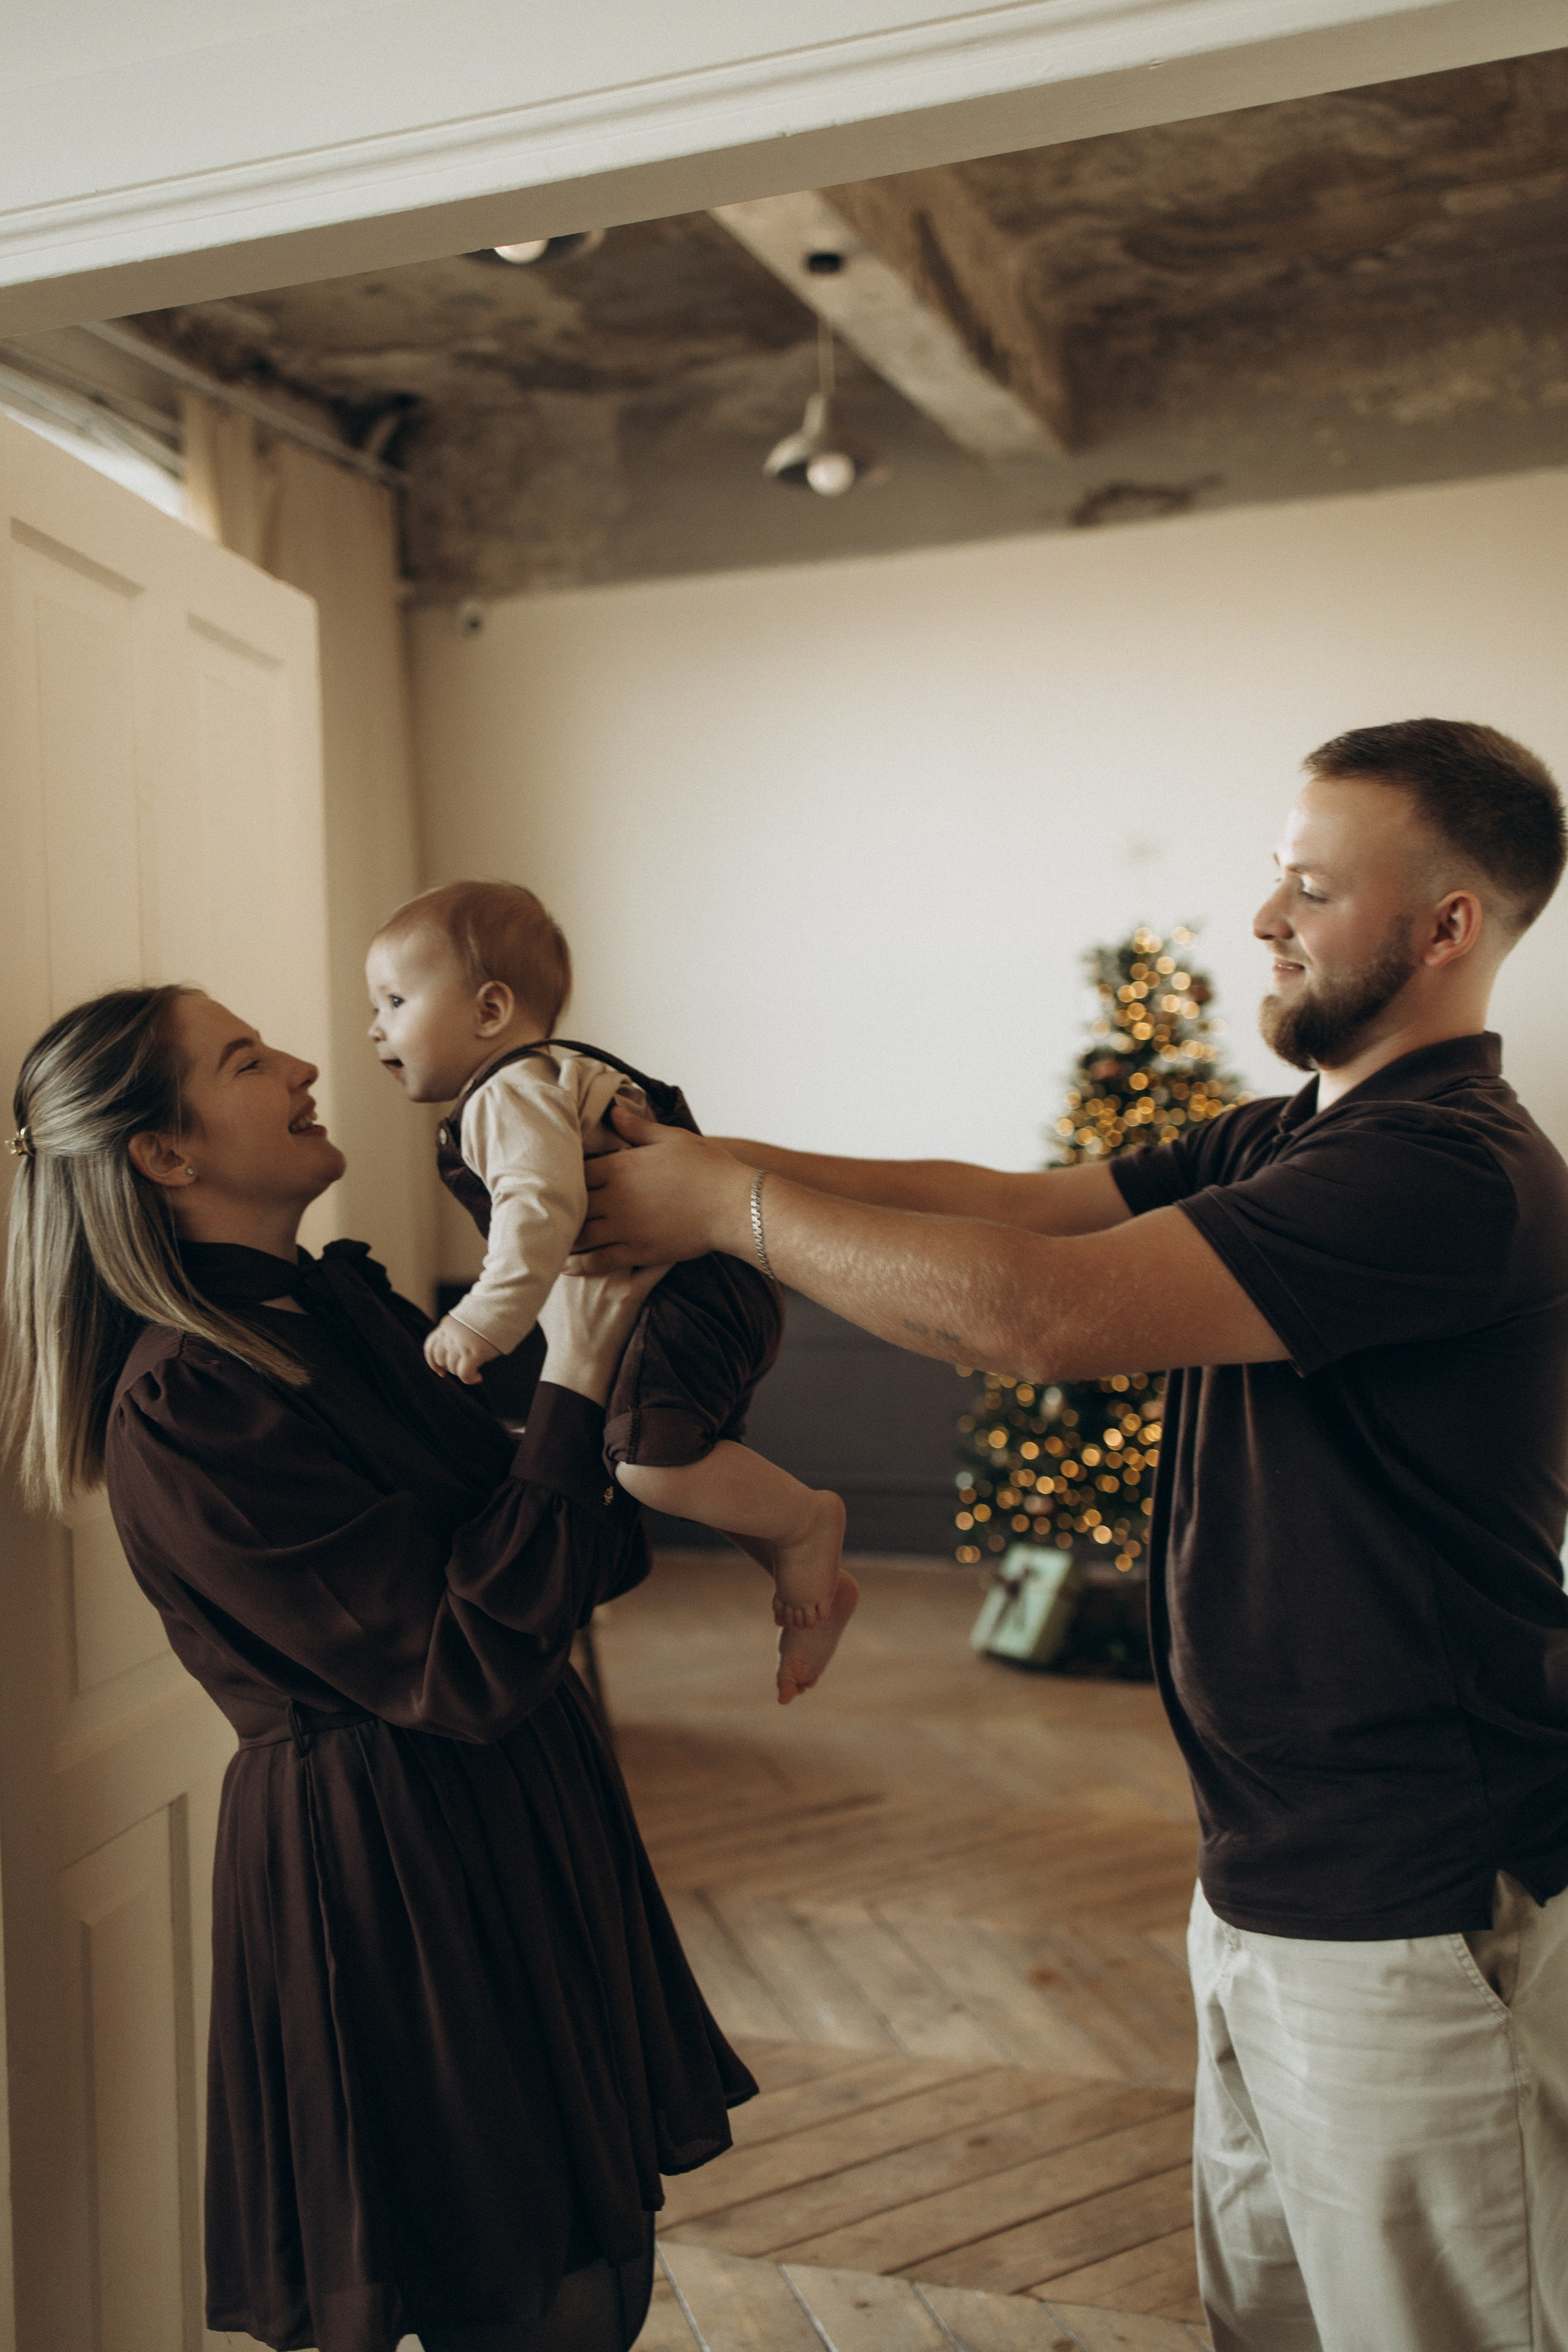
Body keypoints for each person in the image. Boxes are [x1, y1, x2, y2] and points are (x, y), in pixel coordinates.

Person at [568, 718, 1568, 2352]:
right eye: (1275, 882)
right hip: (1273, 1879)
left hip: (1416, 1900)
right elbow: (1011, 1206)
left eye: (1312, 890)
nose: (1264, 921)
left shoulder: (1445, 1168)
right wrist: (697, 1157)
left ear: (1448, 928)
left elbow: (1038, 1314)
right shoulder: (1293, 1135)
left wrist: (720, 1212)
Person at [0, 982, 757, 2352]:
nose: (301, 1062)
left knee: (601, 2257)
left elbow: (584, 1562)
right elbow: (465, 1659)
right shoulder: (188, 1403)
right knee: (530, 2290)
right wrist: (575, 1375)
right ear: (165, 1157)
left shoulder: (344, 1309)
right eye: (242, 1059)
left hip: (521, 1809)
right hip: (391, 1870)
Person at [366, 879, 856, 1703]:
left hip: (682, 1300)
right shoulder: (552, 1078)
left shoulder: (507, 1093)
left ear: (490, 1010)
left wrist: (482, 1322)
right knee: (699, 1460)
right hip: (711, 1287)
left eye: (395, 999)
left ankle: (807, 1525)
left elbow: (539, 1212)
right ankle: (804, 1582)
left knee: (652, 1472)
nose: (375, 1026)